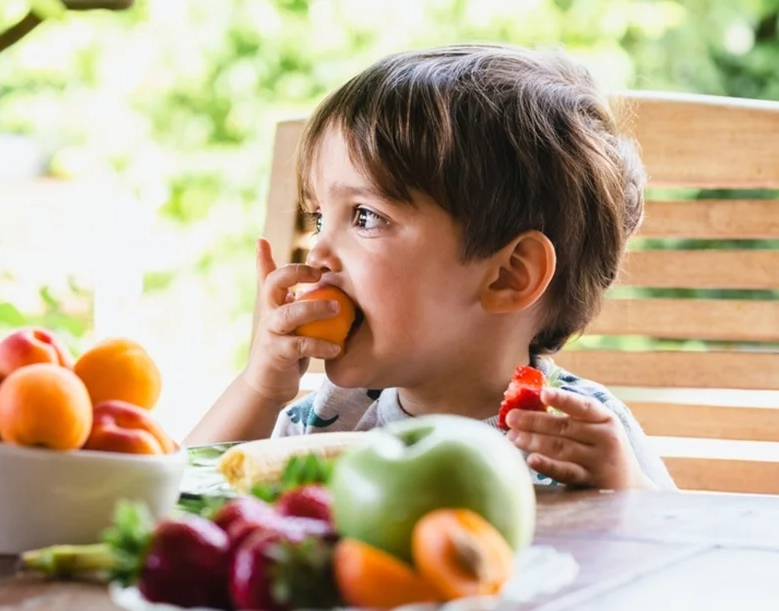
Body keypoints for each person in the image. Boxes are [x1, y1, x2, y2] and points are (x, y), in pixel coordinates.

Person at [186, 43, 676, 491]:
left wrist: (626, 489)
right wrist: (259, 389)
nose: (316, 256)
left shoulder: (578, 434)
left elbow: (684, 562)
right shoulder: (328, 418)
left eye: (365, 216)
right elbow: (177, 497)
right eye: (318, 218)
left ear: (509, 275)